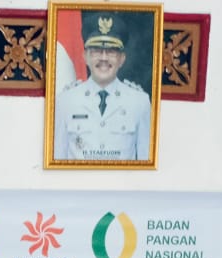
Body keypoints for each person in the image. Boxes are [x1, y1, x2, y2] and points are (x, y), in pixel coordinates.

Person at [53, 14, 151, 162]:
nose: (104, 58)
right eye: (96, 51)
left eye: (111, 51)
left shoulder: (140, 102)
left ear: (122, 59)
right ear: (85, 56)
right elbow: (57, 160)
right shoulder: (65, 101)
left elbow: (146, 163)